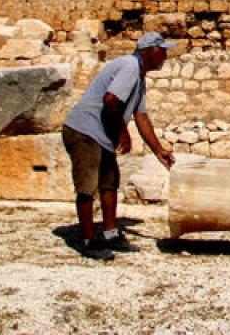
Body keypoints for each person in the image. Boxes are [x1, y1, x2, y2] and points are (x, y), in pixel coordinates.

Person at [61, 32, 176, 260]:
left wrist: (158, 151)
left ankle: (111, 234)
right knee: (87, 187)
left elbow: (141, 117)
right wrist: (123, 133)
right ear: (149, 51)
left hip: (101, 133)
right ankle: (88, 241)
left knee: (109, 183)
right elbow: (111, 100)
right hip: (84, 131)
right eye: (162, 51)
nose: (165, 56)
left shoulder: (139, 76)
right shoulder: (130, 66)